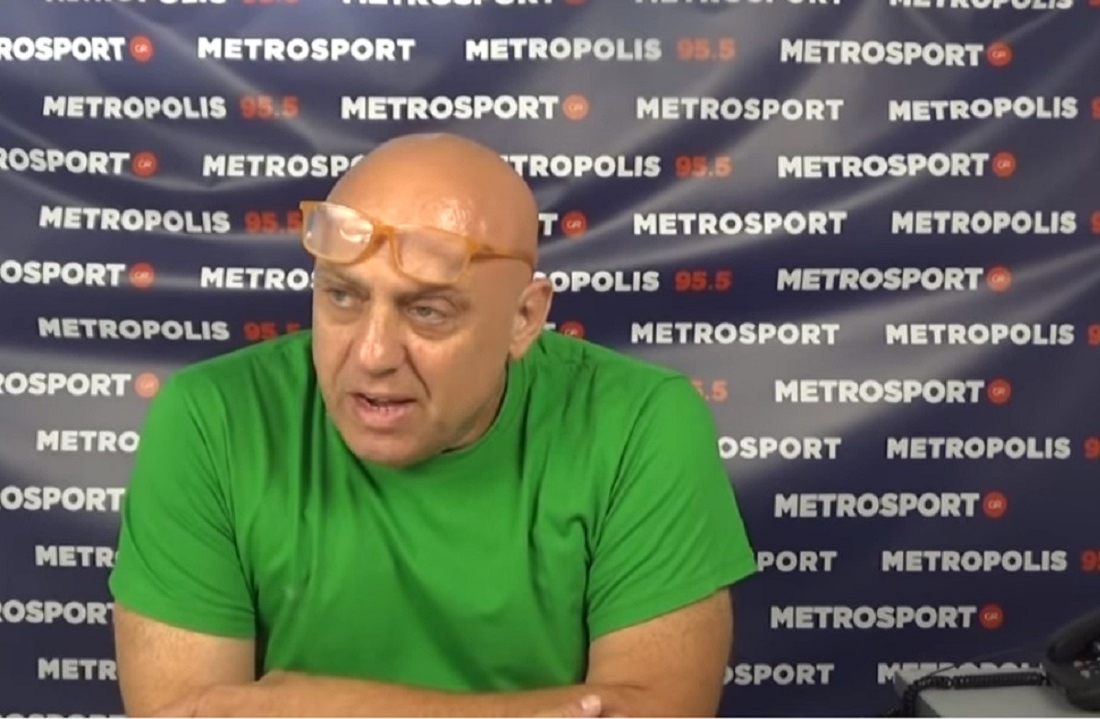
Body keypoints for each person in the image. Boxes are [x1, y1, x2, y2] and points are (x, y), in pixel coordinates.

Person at [107, 132, 757, 718]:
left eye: (427, 312)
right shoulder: (212, 418)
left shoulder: (640, 422)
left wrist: (311, 706)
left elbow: (651, 710)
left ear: (523, 319)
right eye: (342, 296)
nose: (372, 355)